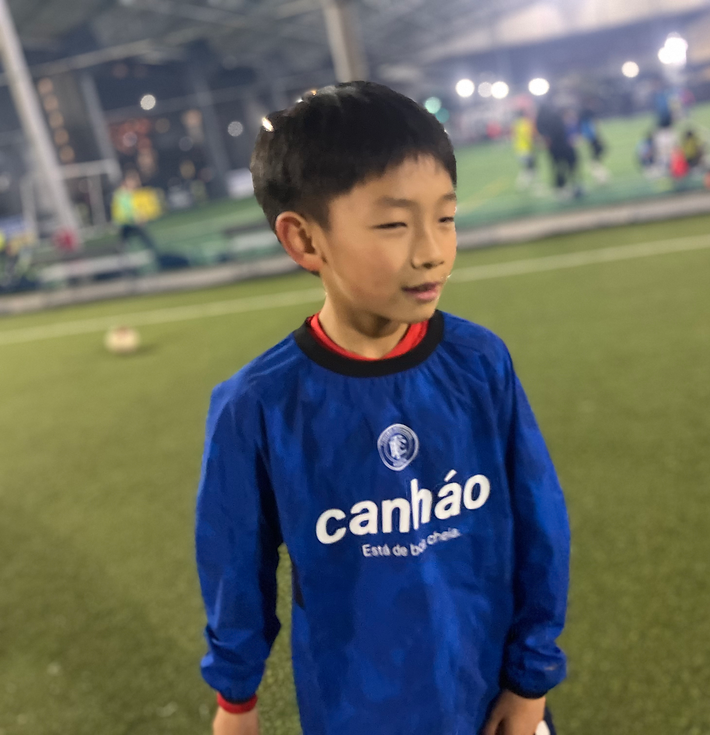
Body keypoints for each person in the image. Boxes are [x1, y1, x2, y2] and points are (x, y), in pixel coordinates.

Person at [195, 81, 570, 735]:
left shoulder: (481, 362)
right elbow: (235, 568)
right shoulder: (256, 406)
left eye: (446, 217)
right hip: (356, 712)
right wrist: (236, 699)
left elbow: (541, 523)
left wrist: (530, 678)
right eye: (395, 224)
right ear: (304, 240)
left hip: (492, 697)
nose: (432, 249)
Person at [535, 104, 581, 199]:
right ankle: (570, 187)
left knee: (559, 168)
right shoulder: (554, 117)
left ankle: (564, 187)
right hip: (562, 147)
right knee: (568, 167)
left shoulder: (543, 119)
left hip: (555, 148)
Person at [111, 170, 159, 257]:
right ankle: (154, 251)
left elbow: (133, 208)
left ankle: (120, 250)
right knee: (143, 237)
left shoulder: (129, 193)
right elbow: (122, 211)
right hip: (126, 222)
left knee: (126, 239)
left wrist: (140, 215)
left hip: (128, 222)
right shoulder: (121, 195)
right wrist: (135, 217)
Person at [578, 105, 610, 183]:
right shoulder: (588, 123)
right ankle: (601, 176)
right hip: (594, 141)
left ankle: (600, 176)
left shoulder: (585, 124)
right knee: (595, 160)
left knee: (594, 160)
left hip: (593, 142)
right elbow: (592, 133)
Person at [511, 109, 537, 189]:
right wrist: (533, 144)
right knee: (529, 168)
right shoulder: (525, 123)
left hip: (519, 149)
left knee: (529, 167)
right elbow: (528, 136)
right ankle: (522, 184)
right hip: (527, 149)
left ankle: (526, 184)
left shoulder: (516, 124)